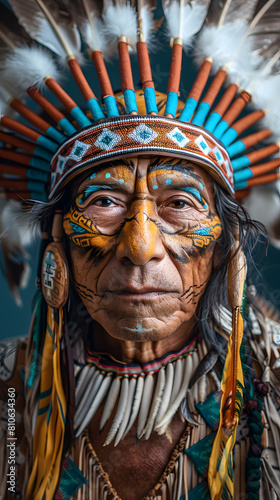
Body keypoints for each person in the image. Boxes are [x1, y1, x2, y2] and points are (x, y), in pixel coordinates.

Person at [0, 1, 280, 499]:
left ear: (223, 247)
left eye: (180, 203)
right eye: (104, 201)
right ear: (57, 246)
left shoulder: (272, 384)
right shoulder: (8, 393)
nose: (140, 246)